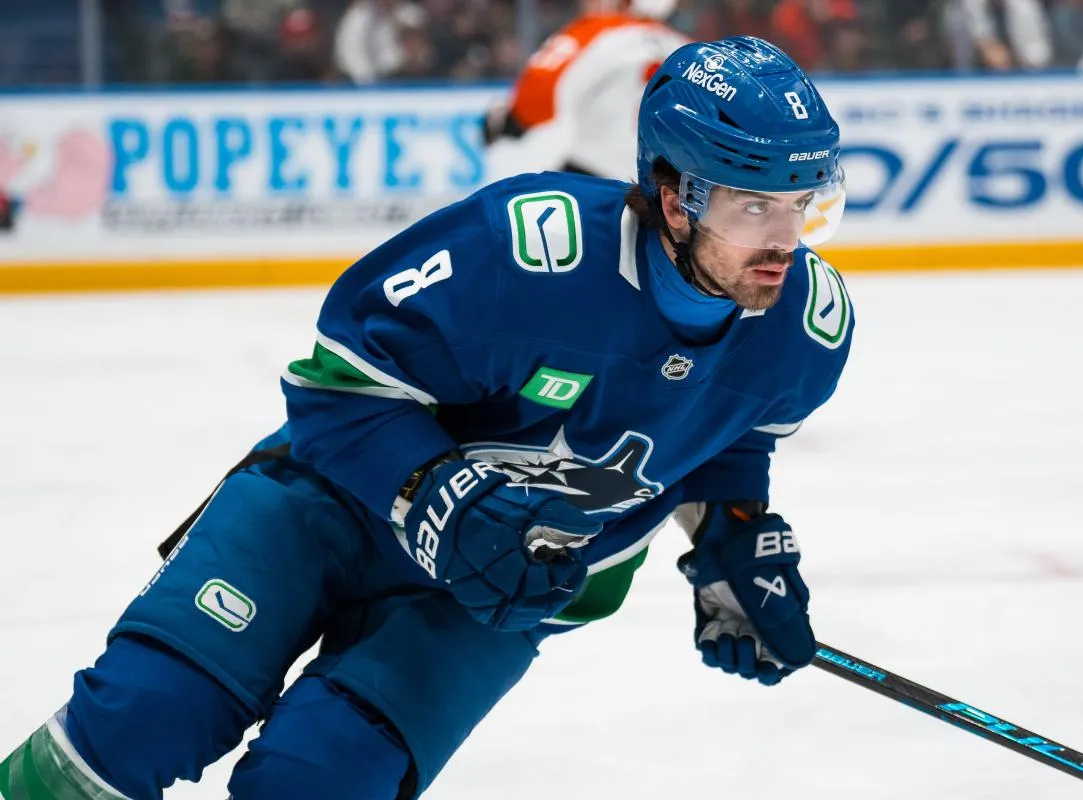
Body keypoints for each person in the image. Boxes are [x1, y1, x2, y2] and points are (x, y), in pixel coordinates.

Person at [0, 35, 853, 800]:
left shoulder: (806, 330)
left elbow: (729, 435)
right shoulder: (526, 252)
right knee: (143, 718)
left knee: (320, 781)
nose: (788, 239)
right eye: (755, 207)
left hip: (506, 591)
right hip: (330, 510)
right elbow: (336, 387)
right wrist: (435, 490)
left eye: (806, 204)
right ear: (675, 199)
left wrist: (732, 540)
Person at [482, 0, 687, 180]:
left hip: (595, 173)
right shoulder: (685, 50)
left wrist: (508, 122)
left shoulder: (597, 31)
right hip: (659, 186)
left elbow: (536, 95)